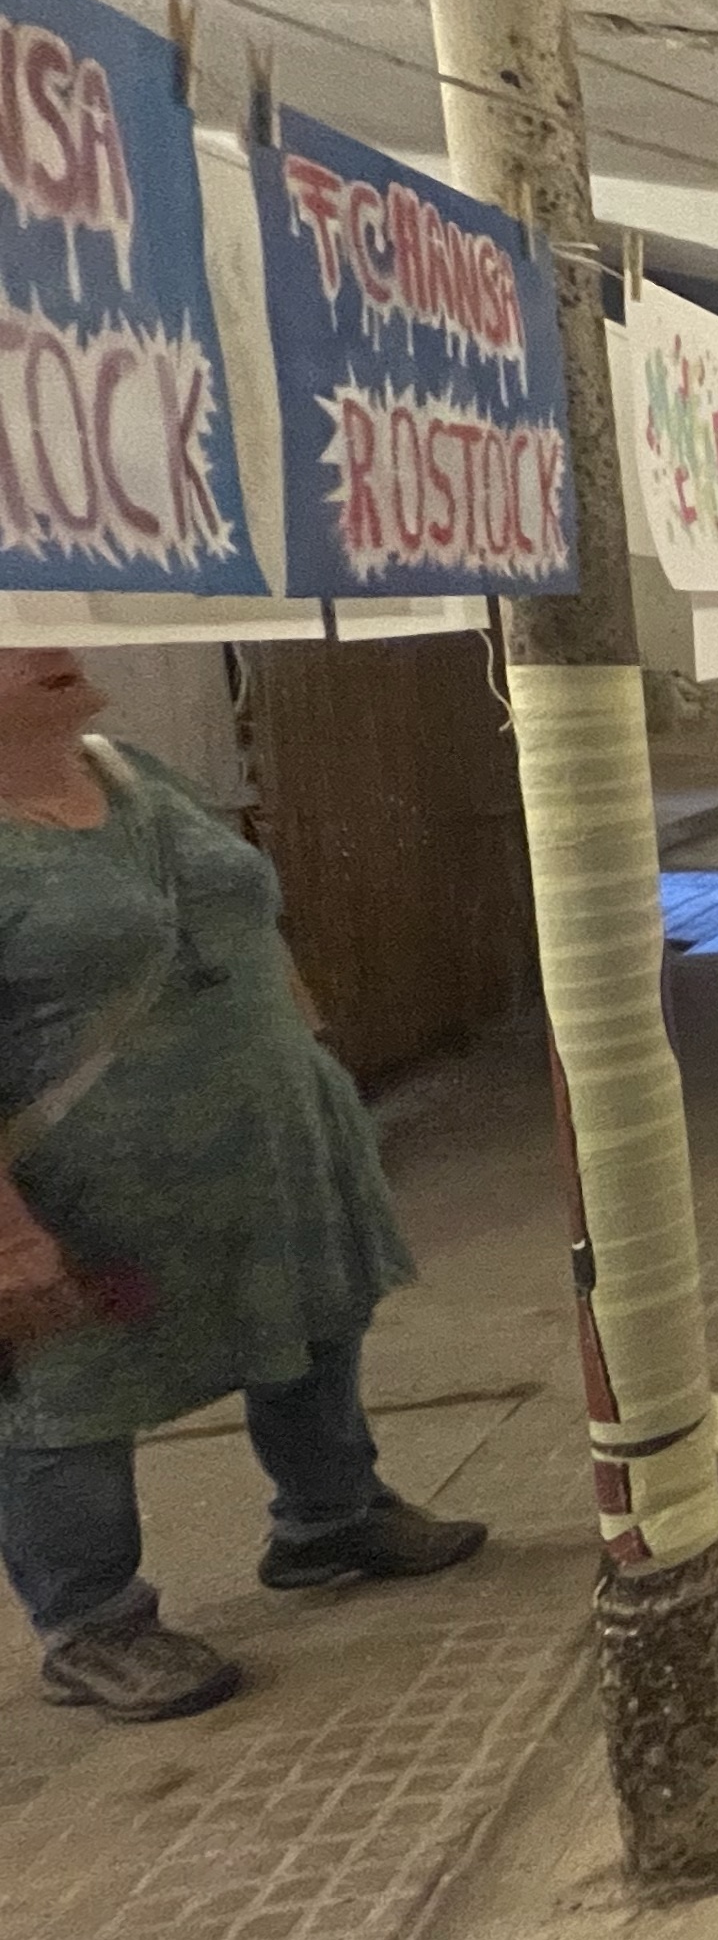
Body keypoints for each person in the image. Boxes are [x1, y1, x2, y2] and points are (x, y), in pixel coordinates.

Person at [0, 648, 484, 1722]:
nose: (50, 646)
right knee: (69, 1396)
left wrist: (307, 1055)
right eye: (11, 636)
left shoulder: (130, 770)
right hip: (89, 1184)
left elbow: (242, 915)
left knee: (313, 1316)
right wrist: (11, 1239)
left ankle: (330, 1516)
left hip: (271, 1135)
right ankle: (92, 1623)